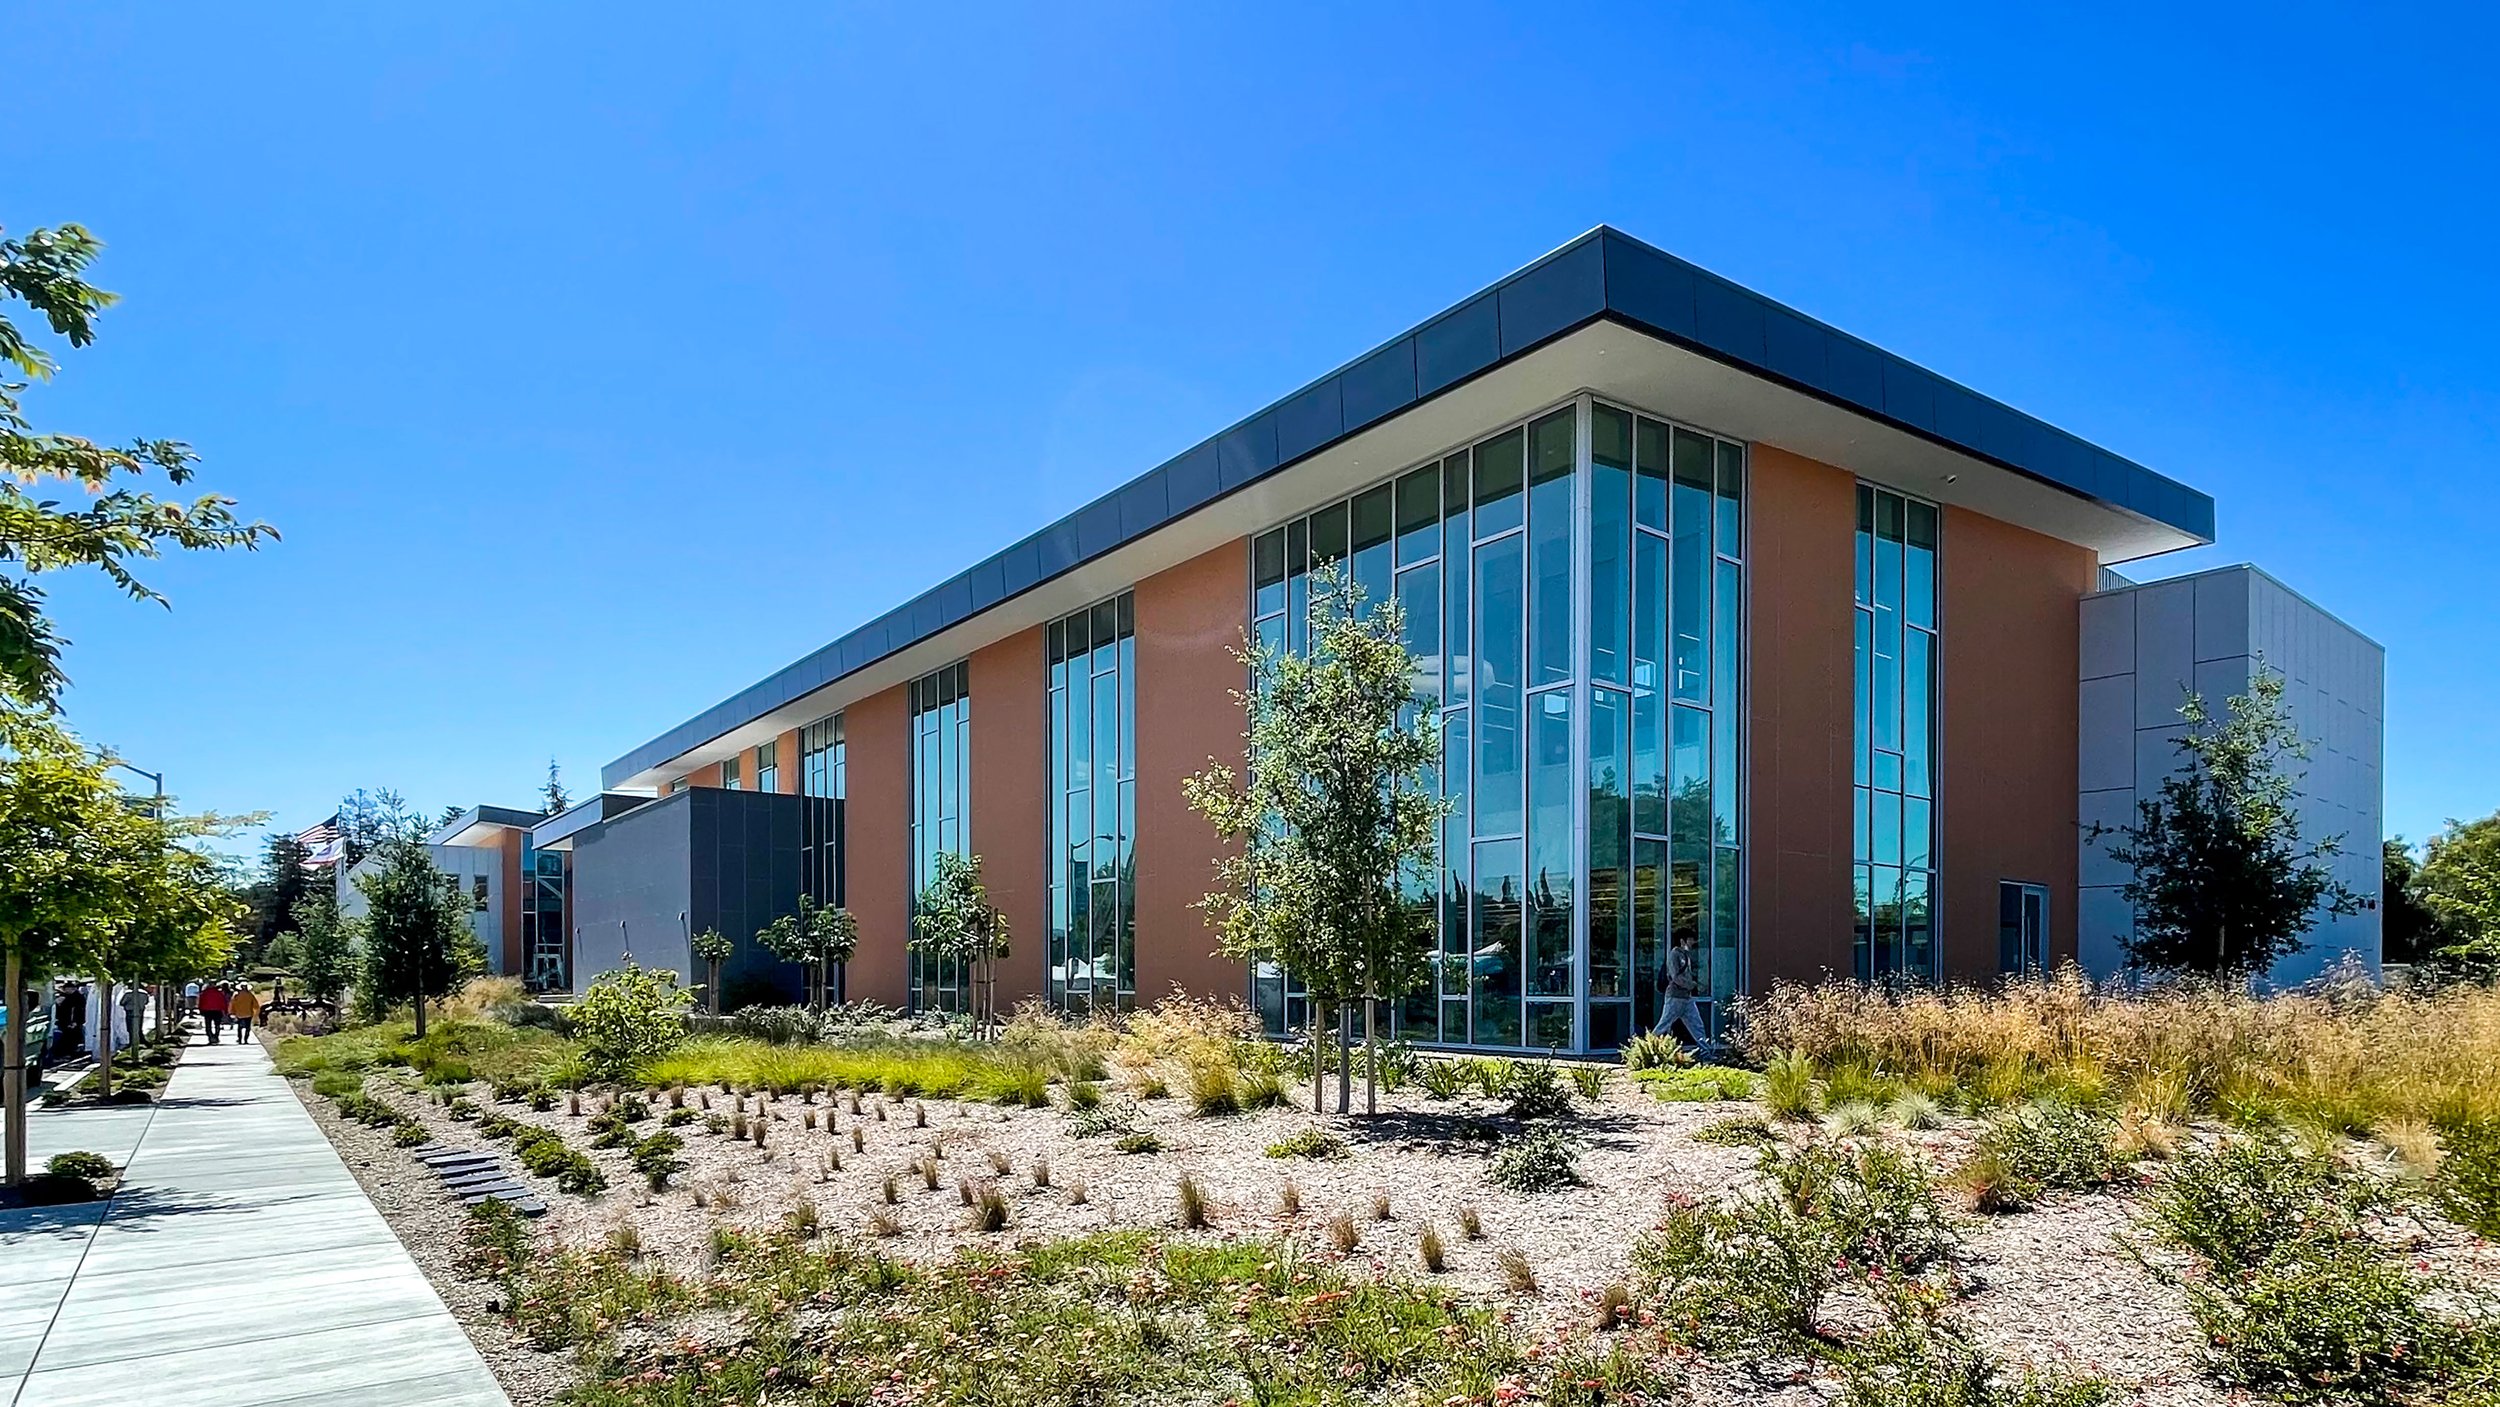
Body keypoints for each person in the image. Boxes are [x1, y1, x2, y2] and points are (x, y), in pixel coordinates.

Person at [1650, 931, 1711, 1051]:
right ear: (1682, 941)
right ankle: (1648, 1049)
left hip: (1686, 998)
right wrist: (1691, 985)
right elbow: (1675, 976)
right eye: (1690, 939)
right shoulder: (1674, 954)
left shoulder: (1685, 956)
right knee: (1664, 1025)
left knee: (1697, 1026)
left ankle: (1706, 1052)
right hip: (1675, 997)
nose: (1693, 943)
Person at [197, 979, 228, 1044]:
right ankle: (216, 1037)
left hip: (207, 1011)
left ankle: (211, 1037)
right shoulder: (219, 993)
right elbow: (223, 1002)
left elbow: (200, 1002)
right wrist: (225, 1010)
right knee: (217, 1025)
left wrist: (200, 1009)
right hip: (217, 1010)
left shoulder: (204, 993)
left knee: (208, 1025)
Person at [119, 983, 150, 1048]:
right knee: (139, 1026)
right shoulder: (144, 993)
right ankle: (140, 1040)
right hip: (140, 1012)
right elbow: (146, 1002)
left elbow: (122, 1002)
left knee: (130, 1028)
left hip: (130, 1012)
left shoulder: (128, 994)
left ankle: (132, 1042)